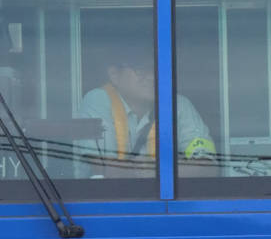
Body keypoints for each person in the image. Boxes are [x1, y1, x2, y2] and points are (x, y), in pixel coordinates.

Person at [78, 49, 215, 177]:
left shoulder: (177, 104)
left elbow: (209, 167)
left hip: (164, 201)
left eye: (156, 69)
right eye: (140, 69)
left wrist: (159, 169)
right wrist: (152, 171)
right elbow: (101, 167)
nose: (151, 77)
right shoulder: (99, 100)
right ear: (114, 75)